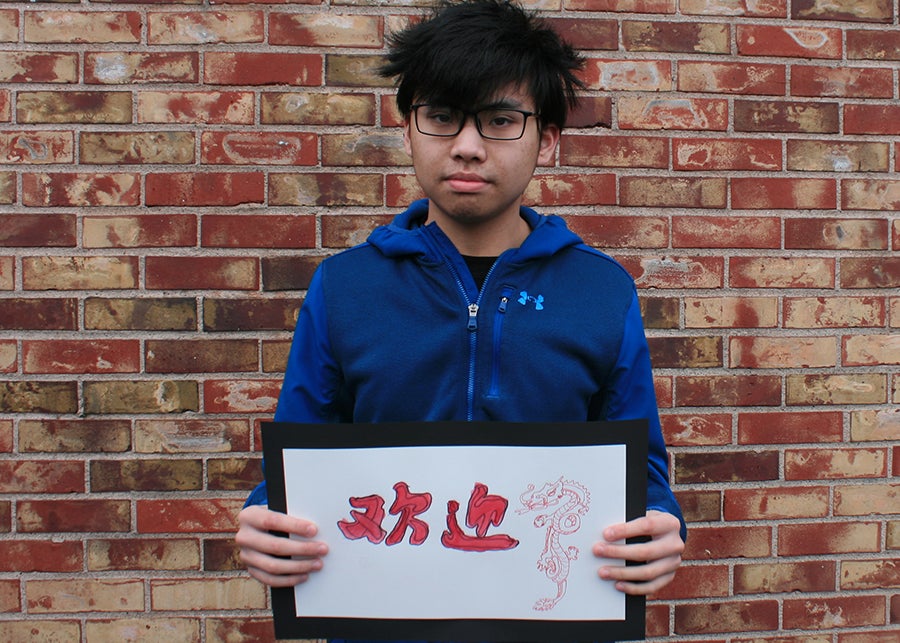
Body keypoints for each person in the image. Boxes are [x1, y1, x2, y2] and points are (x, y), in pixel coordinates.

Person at [236, 0, 685, 632]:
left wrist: (661, 521)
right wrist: (266, 519)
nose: (468, 147)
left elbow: (639, 468)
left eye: (500, 120)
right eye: (443, 118)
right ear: (409, 130)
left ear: (547, 139)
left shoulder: (601, 291)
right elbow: (300, 456)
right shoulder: (344, 286)